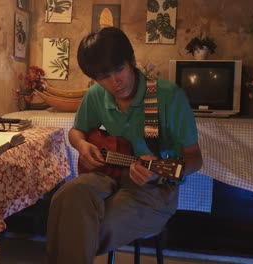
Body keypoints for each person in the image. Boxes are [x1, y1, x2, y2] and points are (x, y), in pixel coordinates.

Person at [46, 27, 203, 264]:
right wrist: (81, 145)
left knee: (86, 229)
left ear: (131, 61)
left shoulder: (168, 97)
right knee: (65, 197)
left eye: (119, 70)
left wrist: (159, 169)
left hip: (154, 188)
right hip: (108, 174)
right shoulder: (97, 95)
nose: (114, 82)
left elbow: (195, 158)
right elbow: (77, 132)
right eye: (103, 77)